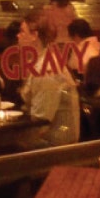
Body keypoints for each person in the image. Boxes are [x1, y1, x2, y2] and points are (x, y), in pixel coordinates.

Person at [19, 12, 80, 144]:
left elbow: (40, 122)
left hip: (55, 147)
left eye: (22, 31)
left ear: (35, 35)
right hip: (49, 139)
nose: (17, 36)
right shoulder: (40, 62)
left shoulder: (45, 70)